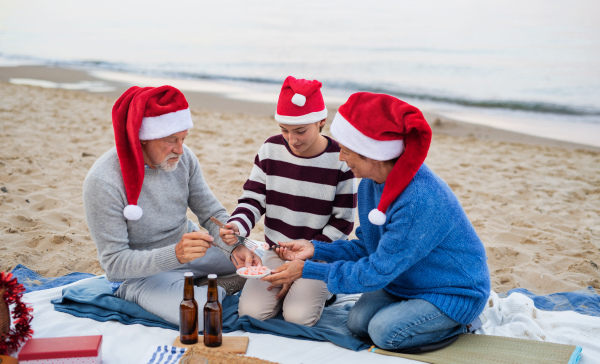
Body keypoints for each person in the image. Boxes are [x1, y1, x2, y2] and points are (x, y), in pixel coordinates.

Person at [263, 92, 491, 350]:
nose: (341, 157)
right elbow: (368, 247)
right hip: (404, 279)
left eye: (347, 151)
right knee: (358, 324)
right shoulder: (370, 185)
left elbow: (377, 271)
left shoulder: (417, 201)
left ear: (372, 155)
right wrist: (315, 248)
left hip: (451, 290)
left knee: (385, 333)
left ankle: (463, 322)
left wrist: (309, 269)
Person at [83, 85, 255, 327]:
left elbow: (212, 213)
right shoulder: (103, 182)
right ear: (141, 138)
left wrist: (235, 243)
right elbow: (114, 264)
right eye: (171, 141)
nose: (180, 150)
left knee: (258, 260)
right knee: (199, 317)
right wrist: (175, 254)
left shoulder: (185, 159)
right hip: (140, 275)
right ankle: (214, 286)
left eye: (184, 138)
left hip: (190, 253)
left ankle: (204, 284)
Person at [219, 76, 357, 326]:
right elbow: (253, 199)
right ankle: (294, 291)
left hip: (319, 257)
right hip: (275, 252)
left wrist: (305, 261)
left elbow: (343, 223)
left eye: (300, 131)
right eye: (284, 130)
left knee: (298, 317)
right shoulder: (270, 149)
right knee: (251, 313)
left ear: (321, 121)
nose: (291, 140)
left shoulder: (341, 159)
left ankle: (327, 290)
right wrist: (237, 227)